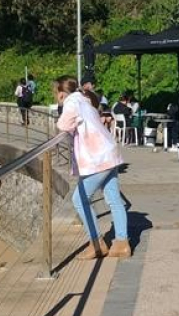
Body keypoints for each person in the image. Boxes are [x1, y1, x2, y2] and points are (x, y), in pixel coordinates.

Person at [56, 75, 130, 259]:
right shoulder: (84, 100)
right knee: (113, 197)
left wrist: (61, 105)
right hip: (108, 152)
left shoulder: (72, 101)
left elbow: (63, 125)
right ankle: (122, 243)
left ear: (61, 93)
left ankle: (96, 243)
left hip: (98, 157)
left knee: (79, 199)